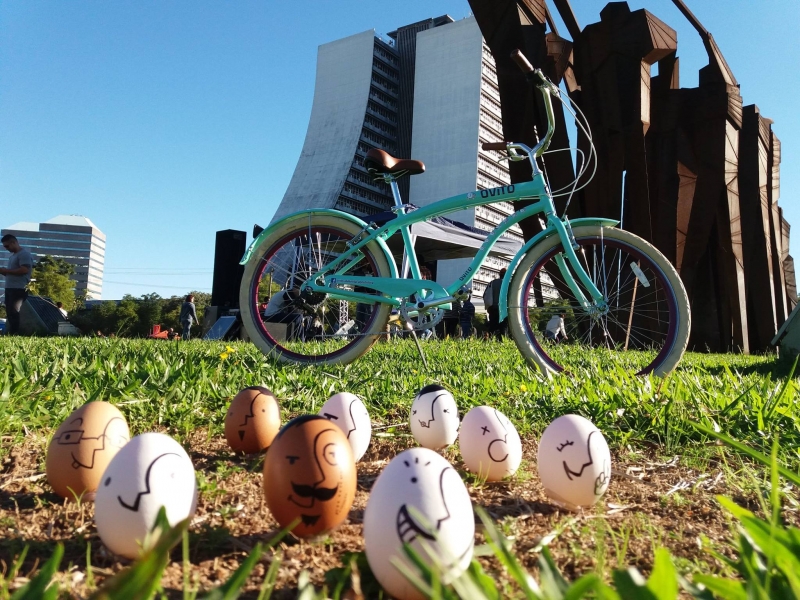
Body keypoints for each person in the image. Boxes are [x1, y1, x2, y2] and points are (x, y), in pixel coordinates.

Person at [0, 234, 34, 335]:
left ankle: (15, 333)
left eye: (7, 246)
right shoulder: (12, 257)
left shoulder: (24, 254)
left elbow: (24, 270)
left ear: (14, 242)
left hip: (19, 288)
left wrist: (7, 271)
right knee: (9, 311)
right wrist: (3, 271)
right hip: (10, 287)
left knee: (14, 311)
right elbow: (11, 273)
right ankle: (11, 332)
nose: (6, 248)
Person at [484, 268, 507, 340]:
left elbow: (485, 295)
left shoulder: (492, 283)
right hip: (504, 309)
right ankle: (502, 341)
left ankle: (490, 340)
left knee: (492, 327)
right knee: (503, 327)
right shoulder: (508, 284)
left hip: (493, 308)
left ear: (499, 274)